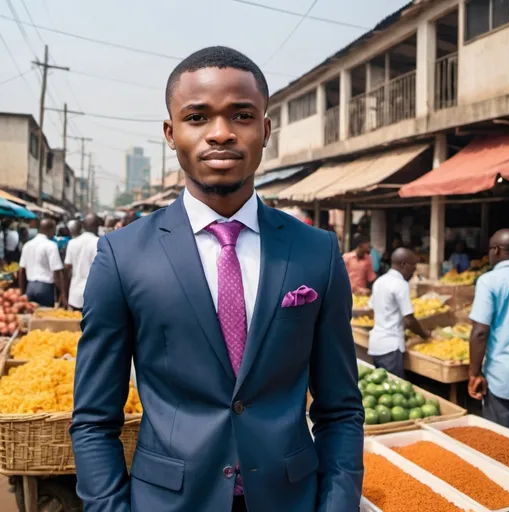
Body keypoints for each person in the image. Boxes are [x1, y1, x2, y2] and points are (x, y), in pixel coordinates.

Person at [71, 46, 363, 512]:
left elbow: (341, 409)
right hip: (168, 500)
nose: (221, 134)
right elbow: (93, 420)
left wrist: (337, 505)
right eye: (197, 117)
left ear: (265, 130)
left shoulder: (317, 253)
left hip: (290, 498)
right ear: (171, 132)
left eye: (242, 115)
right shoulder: (123, 256)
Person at [468, 229, 509, 428]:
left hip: (503, 377)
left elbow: (480, 332)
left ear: (495, 250)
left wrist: (474, 373)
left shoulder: (489, 281)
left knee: (500, 444)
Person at [368, 248, 429, 378]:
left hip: (376, 344)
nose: (414, 270)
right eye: (413, 265)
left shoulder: (380, 281)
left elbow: (375, 309)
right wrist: (425, 335)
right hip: (391, 348)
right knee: (394, 389)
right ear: (403, 264)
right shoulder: (400, 284)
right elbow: (409, 319)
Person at [18, 219, 67, 308]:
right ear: (50, 229)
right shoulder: (51, 245)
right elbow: (56, 271)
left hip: (30, 286)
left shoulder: (27, 245)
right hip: (45, 288)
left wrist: (22, 291)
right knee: (44, 318)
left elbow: (21, 271)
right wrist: (63, 293)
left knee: (31, 317)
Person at [64, 214, 100, 312]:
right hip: (93, 296)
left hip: (74, 295)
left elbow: (67, 268)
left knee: (72, 326)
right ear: (97, 226)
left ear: (83, 226)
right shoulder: (99, 243)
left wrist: (64, 293)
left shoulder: (72, 243)